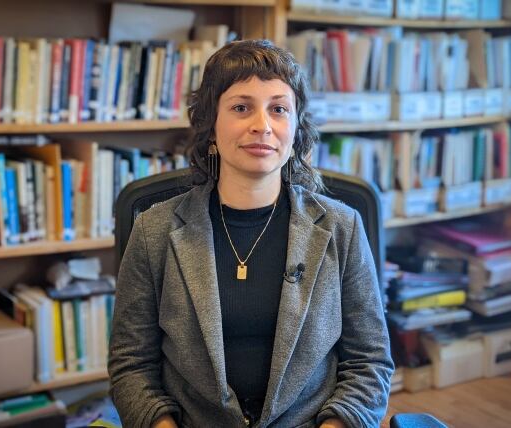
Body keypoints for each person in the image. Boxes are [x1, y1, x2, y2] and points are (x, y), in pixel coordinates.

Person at [109, 39, 393, 428]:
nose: (262, 125)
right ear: (211, 126)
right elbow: (131, 365)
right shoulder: (154, 232)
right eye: (241, 107)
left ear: (295, 130)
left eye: (279, 109)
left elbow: (369, 362)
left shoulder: (342, 228)